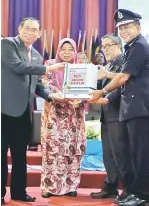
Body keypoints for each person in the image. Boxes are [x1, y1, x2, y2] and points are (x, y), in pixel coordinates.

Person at [89, 9, 149, 206]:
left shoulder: (139, 47)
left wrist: (102, 92)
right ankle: (135, 192)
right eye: (121, 27)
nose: (124, 30)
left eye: (128, 26)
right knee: (135, 154)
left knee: (141, 155)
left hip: (142, 108)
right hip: (135, 108)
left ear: (138, 27)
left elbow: (123, 77)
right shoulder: (133, 46)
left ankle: (143, 195)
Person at [1, 17, 65, 204]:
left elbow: (36, 84)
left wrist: (51, 96)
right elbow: (18, 67)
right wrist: (49, 67)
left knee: (21, 156)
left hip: (23, 113)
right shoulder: (7, 44)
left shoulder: (36, 54)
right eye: (27, 28)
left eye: (34, 30)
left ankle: (19, 192)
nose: (30, 32)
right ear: (20, 29)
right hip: (3, 110)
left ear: (39, 34)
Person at [40, 38, 86, 198]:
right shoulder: (50, 65)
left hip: (74, 115)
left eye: (71, 49)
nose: (67, 52)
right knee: (53, 150)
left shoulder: (80, 68)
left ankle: (70, 186)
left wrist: (81, 97)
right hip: (55, 115)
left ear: (75, 52)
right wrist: (59, 95)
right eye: (63, 49)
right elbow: (45, 85)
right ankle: (50, 186)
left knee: (72, 150)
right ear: (58, 50)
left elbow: (87, 89)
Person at [90, 34, 124, 199]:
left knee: (120, 153)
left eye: (109, 45)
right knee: (108, 153)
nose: (105, 49)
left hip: (119, 114)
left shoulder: (124, 61)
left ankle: (127, 189)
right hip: (107, 114)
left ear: (118, 46)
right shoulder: (107, 65)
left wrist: (106, 99)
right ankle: (110, 185)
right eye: (103, 46)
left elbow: (121, 85)